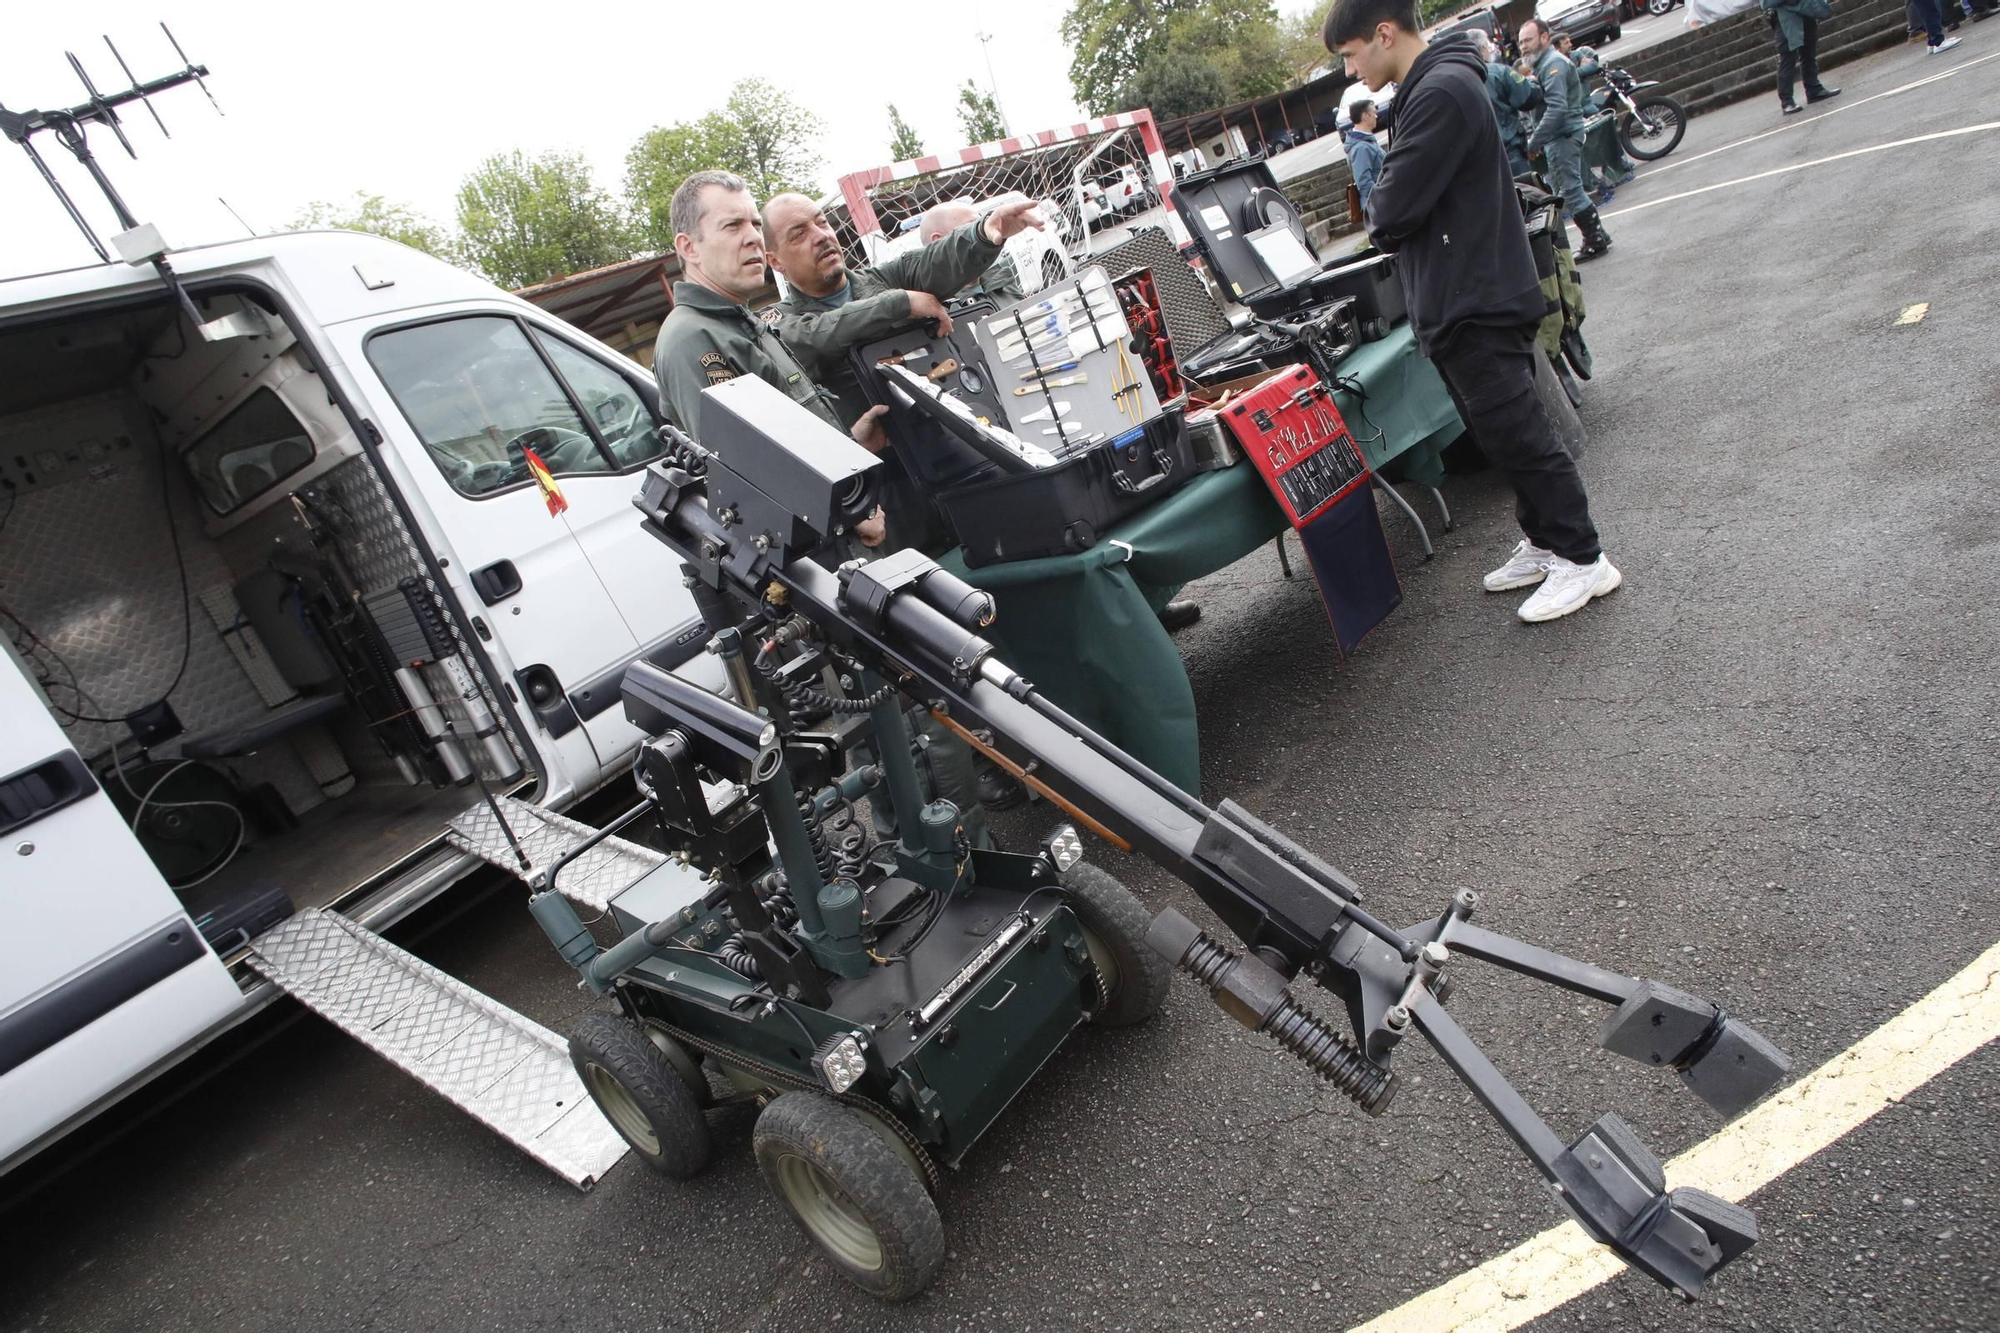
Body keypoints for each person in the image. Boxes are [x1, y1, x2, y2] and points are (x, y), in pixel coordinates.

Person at [1325, 0, 1621, 623]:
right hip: (1463, 293)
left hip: (1474, 295)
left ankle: (1583, 557)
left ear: (1383, 34)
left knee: (1521, 433)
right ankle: (1545, 541)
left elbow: (1390, 210)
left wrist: (1385, 205)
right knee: (1501, 435)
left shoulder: (1440, 91)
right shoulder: (1431, 87)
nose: (1352, 73)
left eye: (1351, 56)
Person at [1518, 17, 1613, 261]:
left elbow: (1557, 110)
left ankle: (1595, 240)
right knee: (1566, 188)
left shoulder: (1554, 65)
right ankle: (1598, 235)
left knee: (1571, 191)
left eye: (1528, 40)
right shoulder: (1545, 65)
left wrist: (1535, 141)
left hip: (1562, 136)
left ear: (1545, 38)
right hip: (1559, 136)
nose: (1523, 46)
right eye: (1520, 42)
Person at [1554, 32, 1639, 197]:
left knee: (1606, 130)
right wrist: (1579, 70)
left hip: (1587, 102)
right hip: (1572, 108)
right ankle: (1592, 178)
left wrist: (1574, 73)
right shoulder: (1555, 61)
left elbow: (1593, 66)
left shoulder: (1575, 55)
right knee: (1582, 142)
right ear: (1558, 46)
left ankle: (1621, 163)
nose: (1570, 44)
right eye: (1566, 42)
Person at [917, 200, 1026, 303]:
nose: (985, 232)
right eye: (972, 226)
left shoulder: (1002, 283)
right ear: (939, 242)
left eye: (981, 224)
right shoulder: (936, 311)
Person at [1471, 29, 1540, 178]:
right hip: (1510, 153)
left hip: (1480, 163)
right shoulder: (1498, 72)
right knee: (1527, 196)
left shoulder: (1455, 81)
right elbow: (1528, 97)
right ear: (1482, 49)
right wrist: (1532, 82)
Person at [1758, 0, 1843, 113]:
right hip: (1786, 17)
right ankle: (1787, 101)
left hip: (1806, 10)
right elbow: (1765, 3)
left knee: (1809, 54)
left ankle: (1814, 90)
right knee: (1787, 59)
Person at [1343, 100, 1387, 210]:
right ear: (1365, 116)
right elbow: (1364, 182)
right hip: (1378, 207)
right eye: (1374, 113)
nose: (1376, 116)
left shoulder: (1364, 143)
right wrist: (1384, 199)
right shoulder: (1361, 148)